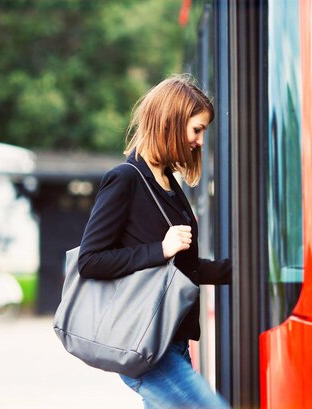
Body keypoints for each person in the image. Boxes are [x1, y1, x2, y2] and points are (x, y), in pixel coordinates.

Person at [78, 74, 231, 409]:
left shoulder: (169, 183)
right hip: (146, 344)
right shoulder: (126, 179)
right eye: (197, 129)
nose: (201, 141)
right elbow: (90, 261)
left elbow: (182, 268)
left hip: (171, 341)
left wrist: (238, 270)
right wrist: (159, 249)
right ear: (171, 122)